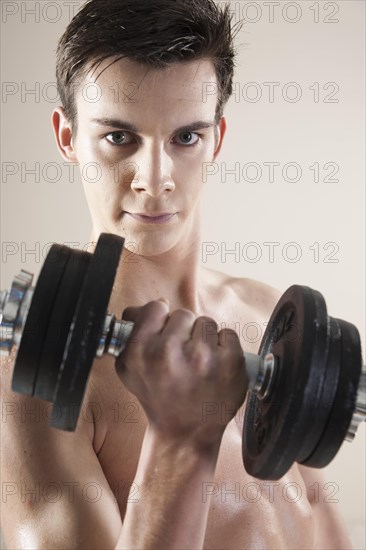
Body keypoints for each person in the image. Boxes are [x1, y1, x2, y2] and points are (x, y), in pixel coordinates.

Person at [0, 0, 352, 548]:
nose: (155, 178)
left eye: (185, 137)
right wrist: (180, 439)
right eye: (119, 138)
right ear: (67, 138)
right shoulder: (27, 389)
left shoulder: (269, 316)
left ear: (216, 137)